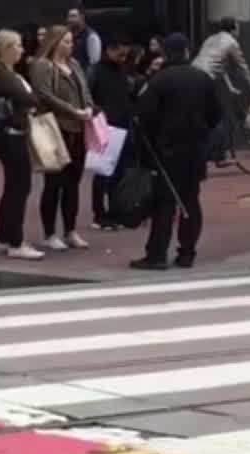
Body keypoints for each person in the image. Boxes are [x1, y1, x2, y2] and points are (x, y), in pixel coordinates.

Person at [132, 33, 221, 270]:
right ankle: (187, 252)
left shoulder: (160, 81)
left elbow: (144, 115)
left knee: (165, 202)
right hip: (196, 148)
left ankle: (157, 254)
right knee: (191, 199)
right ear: (188, 52)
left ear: (166, 54)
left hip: (167, 150)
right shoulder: (203, 79)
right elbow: (215, 114)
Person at [31, 24, 95, 251]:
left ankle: (70, 230)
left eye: (71, 41)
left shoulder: (75, 64)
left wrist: (88, 107)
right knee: (53, 183)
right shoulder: (42, 66)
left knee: (73, 183)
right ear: (54, 42)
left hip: (77, 130)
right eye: (66, 41)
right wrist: (71, 110)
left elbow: (85, 90)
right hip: (55, 128)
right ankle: (49, 233)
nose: (70, 45)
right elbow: (43, 95)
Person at [0, 29, 45, 260]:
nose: (21, 50)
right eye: (18, 45)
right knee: (20, 187)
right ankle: (15, 242)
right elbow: (28, 99)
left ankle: (5, 237)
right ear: (5, 49)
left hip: (13, 133)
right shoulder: (1, 73)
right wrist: (30, 101)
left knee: (13, 187)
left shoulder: (7, 72)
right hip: (11, 135)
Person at [88, 35, 137, 230]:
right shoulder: (96, 71)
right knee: (102, 172)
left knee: (119, 172)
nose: (123, 57)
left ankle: (116, 210)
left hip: (123, 125)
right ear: (109, 49)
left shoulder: (122, 70)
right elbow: (88, 96)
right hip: (104, 127)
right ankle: (99, 213)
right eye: (120, 53)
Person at [192, 17, 250, 165]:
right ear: (233, 29)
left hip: (193, 72)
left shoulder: (211, 39)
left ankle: (200, 150)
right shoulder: (232, 42)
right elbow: (242, 67)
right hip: (204, 79)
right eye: (238, 27)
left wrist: (230, 87)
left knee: (199, 115)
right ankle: (219, 155)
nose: (239, 31)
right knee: (217, 115)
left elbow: (219, 65)